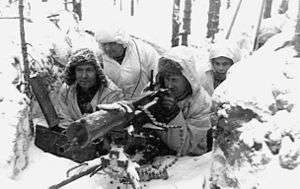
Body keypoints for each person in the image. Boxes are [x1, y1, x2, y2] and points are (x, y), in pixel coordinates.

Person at [142, 46, 213, 156]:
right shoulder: (155, 90)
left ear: (187, 79)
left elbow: (183, 146)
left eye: (174, 80)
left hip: (190, 158)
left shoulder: (202, 103)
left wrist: (174, 114)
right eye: (166, 79)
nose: (169, 85)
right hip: (157, 150)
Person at [57, 48, 124, 128]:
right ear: (73, 71)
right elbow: (64, 120)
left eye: (89, 70)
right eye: (79, 70)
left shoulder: (112, 94)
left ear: (98, 72)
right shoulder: (66, 90)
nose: (84, 76)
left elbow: (114, 126)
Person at [95, 26, 160, 98]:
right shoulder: (99, 56)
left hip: (142, 101)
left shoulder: (146, 52)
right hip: (112, 104)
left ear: (122, 42)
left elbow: (158, 78)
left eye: (112, 44)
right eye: (104, 44)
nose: (107, 48)